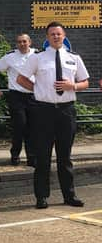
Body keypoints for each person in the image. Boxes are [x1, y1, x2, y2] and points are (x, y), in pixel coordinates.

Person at [17, 21, 89, 209]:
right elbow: (20, 79)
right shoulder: (38, 58)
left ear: (64, 36)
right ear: (47, 38)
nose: (56, 37)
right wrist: (38, 89)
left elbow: (85, 82)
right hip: (44, 111)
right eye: (52, 34)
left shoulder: (74, 57)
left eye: (59, 34)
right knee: (43, 156)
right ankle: (41, 197)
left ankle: (69, 195)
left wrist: (72, 86)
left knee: (65, 156)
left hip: (66, 110)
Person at [0, 34, 37, 166]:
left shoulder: (37, 55)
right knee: (20, 126)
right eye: (19, 42)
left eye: (24, 41)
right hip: (16, 96)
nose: (22, 44)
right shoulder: (10, 56)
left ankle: (32, 158)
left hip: (33, 96)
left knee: (32, 128)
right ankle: (15, 155)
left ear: (30, 42)